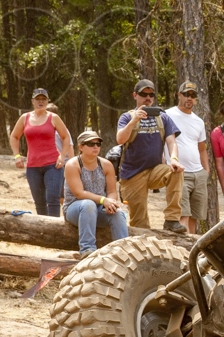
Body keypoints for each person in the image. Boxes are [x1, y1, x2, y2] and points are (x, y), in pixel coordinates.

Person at [116, 79, 187, 233]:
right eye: (143, 94)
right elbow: (120, 139)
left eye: (151, 94)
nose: (148, 98)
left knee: (176, 172)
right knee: (139, 224)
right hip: (132, 174)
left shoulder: (162, 117)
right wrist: (135, 120)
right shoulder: (126, 117)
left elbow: (171, 142)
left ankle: (171, 220)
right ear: (135, 95)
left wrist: (174, 159)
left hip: (155, 170)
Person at [63, 130, 128, 257]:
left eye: (98, 143)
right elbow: (79, 194)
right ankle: (87, 250)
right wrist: (104, 200)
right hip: (75, 209)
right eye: (91, 144)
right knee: (88, 204)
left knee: (118, 213)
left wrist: (111, 203)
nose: (95, 147)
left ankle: (123, 251)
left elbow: (112, 192)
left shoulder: (106, 164)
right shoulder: (72, 165)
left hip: (99, 209)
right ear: (81, 147)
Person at [9, 88, 74, 216]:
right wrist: (17, 156)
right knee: (39, 201)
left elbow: (66, 137)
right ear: (32, 101)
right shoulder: (25, 118)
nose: (40, 101)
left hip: (53, 165)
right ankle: (42, 231)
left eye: (43, 99)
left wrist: (62, 156)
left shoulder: (53, 117)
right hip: (33, 166)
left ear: (47, 101)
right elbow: (14, 136)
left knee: (53, 199)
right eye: (38, 99)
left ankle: (53, 231)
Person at [165, 81, 210, 232]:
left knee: (194, 217)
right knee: (182, 215)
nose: (189, 98)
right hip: (179, 172)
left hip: (198, 173)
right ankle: (182, 252)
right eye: (186, 94)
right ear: (179, 95)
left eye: (193, 95)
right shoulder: (167, 115)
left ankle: (191, 251)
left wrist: (206, 171)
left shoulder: (198, 121)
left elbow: (202, 148)